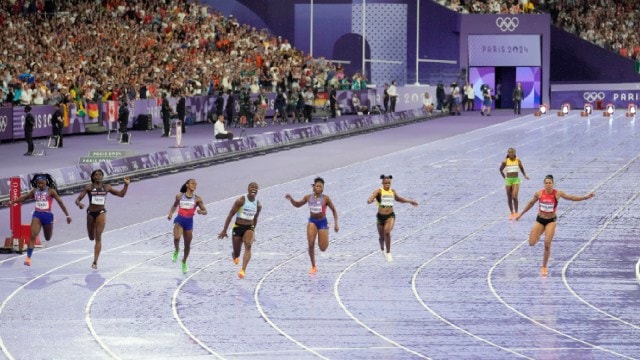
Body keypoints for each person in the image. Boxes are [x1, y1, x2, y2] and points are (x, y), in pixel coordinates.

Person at [516, 175, 595, 276]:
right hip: (540, 220)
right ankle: (540, 232)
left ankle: (544, 267)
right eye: (546, 183)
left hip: (551, 221)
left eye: (550, 183)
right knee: (531, 243)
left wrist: (585, 197)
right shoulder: (539, 193)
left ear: (553, 184)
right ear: (544, 184)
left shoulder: (558, 193)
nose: (548, 185)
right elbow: (531, 203)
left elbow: (571, 198)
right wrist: (521, 214)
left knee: (547, 244)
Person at [3, 174, 72, 266]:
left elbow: (60, 202)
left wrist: (67, 215)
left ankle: (50, 223)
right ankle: (28, 258)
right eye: (39, 183)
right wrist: (12, 202)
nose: (40, 185)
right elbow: (24, 198)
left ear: (46, 182)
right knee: (33, 235)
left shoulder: (51, 191)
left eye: (42, 183)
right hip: (37, 215)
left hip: (47, 216)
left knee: (48, 238)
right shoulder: (34, 191)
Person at [75, 169, 130, 269]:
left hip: (101, 213)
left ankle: (95, 262)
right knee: (91, 237)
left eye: (100, 174)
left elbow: (121, 194)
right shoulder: (88, 187)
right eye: (96, 175)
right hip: (90, 214)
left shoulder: (106, 187)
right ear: (93, 177)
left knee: (98, 237)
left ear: (102, 177)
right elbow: (77, 199)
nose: (98, 176)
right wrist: (79, 204)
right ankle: (93, 231)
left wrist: (126, 185)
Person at [285, 177, 339, 274]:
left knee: (323, 248)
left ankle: (325, 234)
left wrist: (336, 224)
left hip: (322, 222)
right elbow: (297, 204)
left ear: (323, 189)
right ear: (313, 187)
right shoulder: (308, 197)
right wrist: (291, 199)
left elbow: (334, 211)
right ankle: (313, 266)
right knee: (310, 243)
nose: (318, 188)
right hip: (312, 221)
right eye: (316, 186)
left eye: (320, 187)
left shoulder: (326, 199)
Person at [367, 175, 418, 262]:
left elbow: (399, 199)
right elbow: (372, 196)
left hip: (390, 216)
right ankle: (382, 249)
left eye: (389, 183)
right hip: (380, 217)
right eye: (385, 183)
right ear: (382, 183)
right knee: (381, 237)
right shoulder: (379, 191)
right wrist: (370, 200)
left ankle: (388, 252)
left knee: (387, 232)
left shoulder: (392, 191)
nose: (387, 184)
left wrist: (410, 201)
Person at [218, 182, 262, 279]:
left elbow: (255, 219)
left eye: (256, 188)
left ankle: (243, 270)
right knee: (237, 252)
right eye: (252, 187)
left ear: (257, 191)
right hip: (238, 227)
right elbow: (230, 214)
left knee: (248, 245)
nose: (254, 189)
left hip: (249, 228)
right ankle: (234, 255)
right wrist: (224, 230)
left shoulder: (258, 205)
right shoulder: (241, 200)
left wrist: (253, 231)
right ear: (248, 189)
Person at [167, 179, 208, 274]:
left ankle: (184, 261)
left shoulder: (198, 199)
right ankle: (176, 250)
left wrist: (201, 212)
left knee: (187, 245)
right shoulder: (179, 196)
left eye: (196, 184)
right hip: (179, 220)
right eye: (192, 183)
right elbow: (174, 206)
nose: (194, 185)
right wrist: (170, 214)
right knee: (176, 238)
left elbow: (205, 211)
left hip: (189, 223)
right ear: (187, 185)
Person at [499, 148, 530, 220]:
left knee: (514, 196)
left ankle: (516, 212)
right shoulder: (505, 161)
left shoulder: (518, 160)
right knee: (509, 197)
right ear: (508, 153)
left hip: (516, 180)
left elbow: (521, 168)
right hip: (508, 180)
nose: (511, 154)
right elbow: (500, 170)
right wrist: (505, 178)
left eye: (512, 153)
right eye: (509, 153)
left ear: (514, 153)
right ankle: (511, 213)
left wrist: (525, 175)